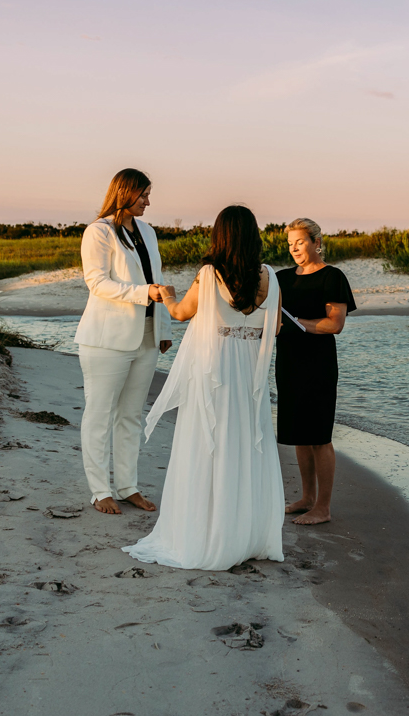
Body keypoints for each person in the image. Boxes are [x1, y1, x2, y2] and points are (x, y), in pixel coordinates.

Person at [124, 205, 284, 571]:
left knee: (211, 443)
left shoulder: (210, 274)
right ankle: (246, 534)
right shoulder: (271, 278)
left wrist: (165, 295)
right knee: (247, 444)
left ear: (221, 236)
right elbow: (274, 329)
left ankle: (209, 534)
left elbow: (181, 313)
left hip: (218, 368)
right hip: (249, 373)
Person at [74, 168, 174, 515]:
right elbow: (97, 283)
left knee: (132, 416)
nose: (148, 201)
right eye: (143, 194)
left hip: (147, 336)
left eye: (148, 194)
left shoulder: (147, 231)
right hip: (106, 339)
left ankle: (128, 486)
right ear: (123, 193)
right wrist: (144, 293)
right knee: (99, 415)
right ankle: (100, 490)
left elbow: (157, 279)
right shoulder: (97, 232)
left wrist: (164, 331)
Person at [275, 218, 357, 526]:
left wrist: (297, 324)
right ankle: (307, 498)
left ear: (316, 242)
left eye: (300, 242)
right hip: (287, 361)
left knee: (319, 435)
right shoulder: (282, 278)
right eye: (290, 244)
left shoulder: (332, 277)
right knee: (299, 434)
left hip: (318, 363)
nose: (295, 248)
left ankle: (323, 507)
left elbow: (335, 324)